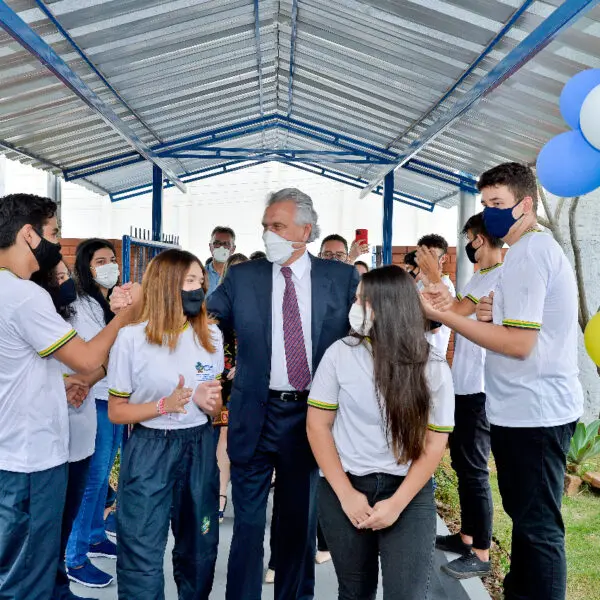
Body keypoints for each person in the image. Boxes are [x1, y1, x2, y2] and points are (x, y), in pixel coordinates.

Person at [422, 163, 583, 600]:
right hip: (520, 409)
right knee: (526, 522)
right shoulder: (521, 255)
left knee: (538, 529)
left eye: (498, 204)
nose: (490, 215)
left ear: (525, 204)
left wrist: (442, 316)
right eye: (486, 204)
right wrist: (485, 316)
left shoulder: (532, 253)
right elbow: (518, 327)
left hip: (536, 411)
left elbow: (518, 345)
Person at [207, 188, 360, 600]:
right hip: (254, 413)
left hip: (310, 416)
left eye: (277, 226)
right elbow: (203, 316)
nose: (268, 234)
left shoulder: (342, 278)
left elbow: (370, 332)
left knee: (297, 524)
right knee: (248, 527)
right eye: (265, 227)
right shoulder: (242, 277)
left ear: (305, 231)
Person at [0, 193, 139, 600]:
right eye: (54, 233)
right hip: (31, 457)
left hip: (15, 449)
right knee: (28, 574)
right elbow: (87, 356)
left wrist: (59, 385)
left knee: (23, 565)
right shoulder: (25, 296)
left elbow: (17, 370)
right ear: (29, 235)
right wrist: (126, 318)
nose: (58, 244)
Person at [306, 265, 454, 600]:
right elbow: (318, 425)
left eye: (363, 300)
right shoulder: (339, 353)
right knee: (354, 592)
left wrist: (397, 504)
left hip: (408, 493)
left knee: (407, 594)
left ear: (389, 305)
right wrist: (346, 494)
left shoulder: (432, 366)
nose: (354, 306)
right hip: (345, 488)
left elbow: (434, 444)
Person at [107, 249, 224, 600]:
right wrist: (163, 406)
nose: (198, 289)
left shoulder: (211, 337)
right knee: (140, 547)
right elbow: (116, 411)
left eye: (200, 282)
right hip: (150, 449)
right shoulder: (131, 338)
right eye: (190, 281)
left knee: (199, 547)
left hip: (199, 446)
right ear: (166, 284)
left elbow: (213, 407)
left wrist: (211, 405)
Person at [433, 213, 504, 580]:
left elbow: (453, 313)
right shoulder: (480, 275)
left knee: (474, 469)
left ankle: (481, 551)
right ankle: (466, 537)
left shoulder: (497, 276)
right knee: (463, 466)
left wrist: (432, 275)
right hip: (463, 385)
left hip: (479, 389)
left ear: (479, 238)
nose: (468, 245)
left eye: (470, 238)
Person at [65, 239, 124, 589]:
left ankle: (95, 534)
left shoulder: (108, 301)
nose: (109, 266)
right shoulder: (80, 304)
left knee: (103, 478)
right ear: (87, 267)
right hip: (93, 399)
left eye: (112, 259)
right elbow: (92, 353)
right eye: (100, 260)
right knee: (91, 480)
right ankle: (74, 557)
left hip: (113, 396)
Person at [215, 252, 249, 524]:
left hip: (253, 382)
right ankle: (220, 494)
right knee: (224, 435)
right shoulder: (216, 306)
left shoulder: (259, 305)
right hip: (223, 381)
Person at [414, 234, 455, 356]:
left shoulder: (445, 286)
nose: (426, 261)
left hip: (432, 357)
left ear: (442, 259)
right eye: (423, 256)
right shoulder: (420, 283)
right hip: (417, 354)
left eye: (431, 257)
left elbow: (434, 326)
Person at [206, 226, 236, 295]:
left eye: (226, 244)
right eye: (217, 243)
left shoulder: (240, 276)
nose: (221, 247)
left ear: (233, 249)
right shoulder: (201, 274)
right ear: (210, 247)